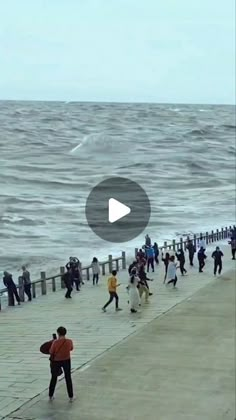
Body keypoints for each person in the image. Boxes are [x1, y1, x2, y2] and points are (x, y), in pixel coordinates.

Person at [49, 326, 74, 401]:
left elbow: (51, 351)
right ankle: (71, 396)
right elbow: (71, 348)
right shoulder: (69, 341)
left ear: (58, 333)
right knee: (68, 377)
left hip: (56, 361)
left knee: (54, 377)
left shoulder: (55, 342)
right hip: (66, 360)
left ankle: (51, 395)